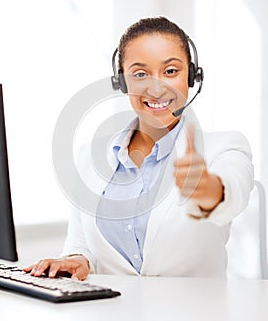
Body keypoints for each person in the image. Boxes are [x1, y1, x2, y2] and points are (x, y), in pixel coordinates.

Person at [24, 17, 254, 280]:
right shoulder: (90, 156)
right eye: (140, 74)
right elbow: (81, 244)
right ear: (121, 82)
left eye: (170, 71)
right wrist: (78, 260)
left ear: (191, 77)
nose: (156, 88)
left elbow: (232, 197)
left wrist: (208, 189)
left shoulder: (225, 147)